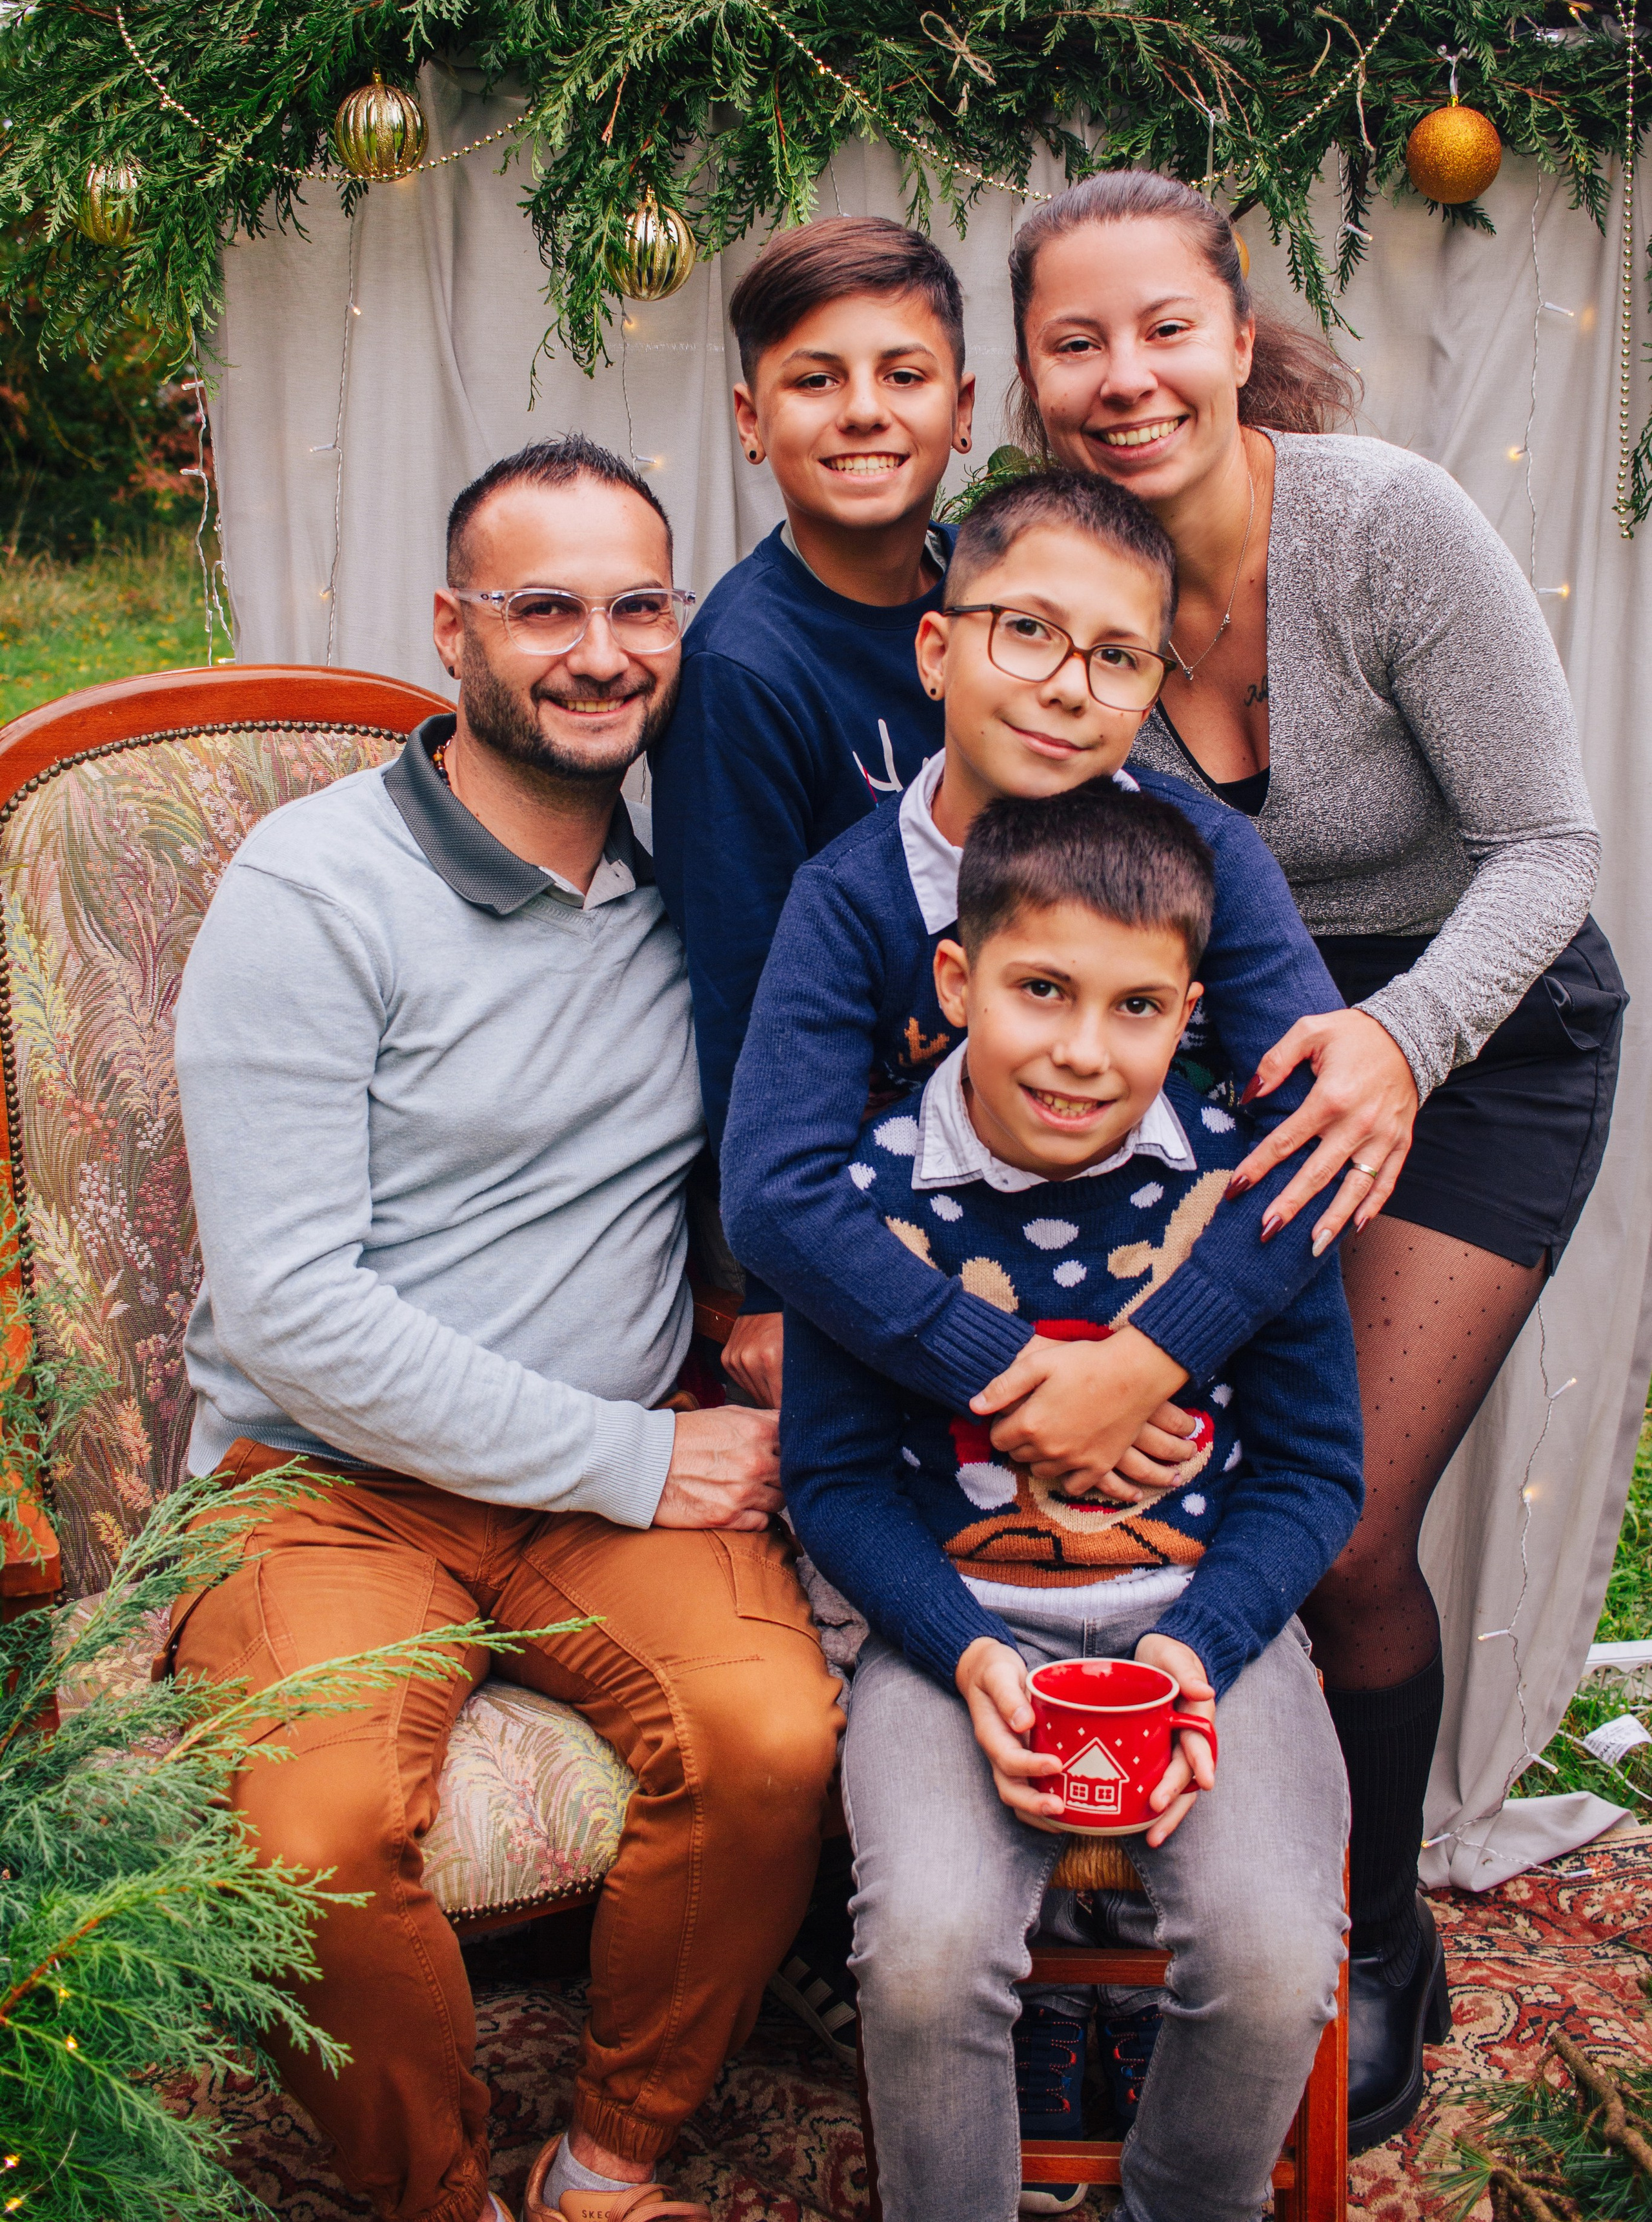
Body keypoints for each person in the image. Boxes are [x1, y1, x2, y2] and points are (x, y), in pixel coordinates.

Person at [1006, 166, 1626, 2148]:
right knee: (1177, 1501)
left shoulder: (1383, 523)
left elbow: (1549, 848)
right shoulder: (1054, 578)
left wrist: (1403, 1040)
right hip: (1233, 1056)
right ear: (1030, 374)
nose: (1125, 376)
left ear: (1236, 333)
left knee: (1346, 1529)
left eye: (1163, 327)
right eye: (1077, 342)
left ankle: (1376, 1938)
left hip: (1483, 1029)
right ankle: (1154, 1919)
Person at [168, 434, 842, 2222]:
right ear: (452, 627)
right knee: (313, 1833)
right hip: (325, 1483)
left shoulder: (698, 902)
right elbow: (294, 1314)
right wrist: (640, 1457)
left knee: (774, 1746)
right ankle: (440, 2200)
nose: (599, 653)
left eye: (639, 609)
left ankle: (606, 2165)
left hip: (596, 1489)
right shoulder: (312, 891)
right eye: (545, 608)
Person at [781, 782, 1364, 2222]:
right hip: (950, 1630)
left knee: (1275, 1959)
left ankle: (1182, 2200)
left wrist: (1195, 1650)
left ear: (1188, 1015)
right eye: (1040, 990)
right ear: (956, 981)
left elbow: (1311, 1473)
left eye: (1137, 1008)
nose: (1083, 1053)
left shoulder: (1250, 1184)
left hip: (1204, 1628)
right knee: (922, 1956)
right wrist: (962, 1648)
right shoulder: (866, 1202)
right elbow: (834, 1481)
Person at [722, 468, 1348, 1508]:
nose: (1068, 686)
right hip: (929, 1374)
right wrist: (1017, 1378)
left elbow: (1316, 1138)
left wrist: (1143, 1364)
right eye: (1026, 630)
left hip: (1180, 1368)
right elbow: (775, 1194)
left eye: (1118, 657)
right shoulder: (849, 898)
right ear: (936, 653)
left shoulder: (1212, 860)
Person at [649, 216, 975, 1410]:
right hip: (845, 1163)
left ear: (963, 408)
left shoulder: (1002, 595)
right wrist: (779, 1278)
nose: (864, 412)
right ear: (751, 420)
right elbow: (740, 994)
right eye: (816, 380)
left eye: (904, 375)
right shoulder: (742, 671)